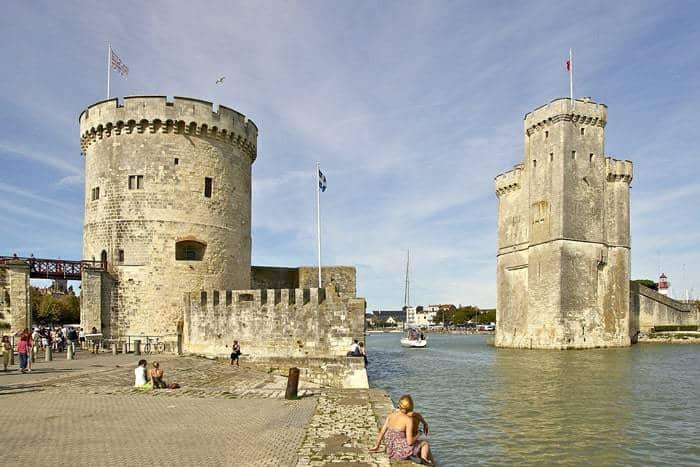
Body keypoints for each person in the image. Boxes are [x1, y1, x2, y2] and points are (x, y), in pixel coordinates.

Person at [369, 394, 432, 465]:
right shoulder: (408, 420)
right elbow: (409, 442)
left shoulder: (391, 415)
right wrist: (419, 433)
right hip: (400, 451)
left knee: (403, 440)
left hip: (390, 450)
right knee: (424, 443)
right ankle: (424, 460)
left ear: (399, 405)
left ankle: (412, 456)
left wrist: (377, 446)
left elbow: (382, 432)